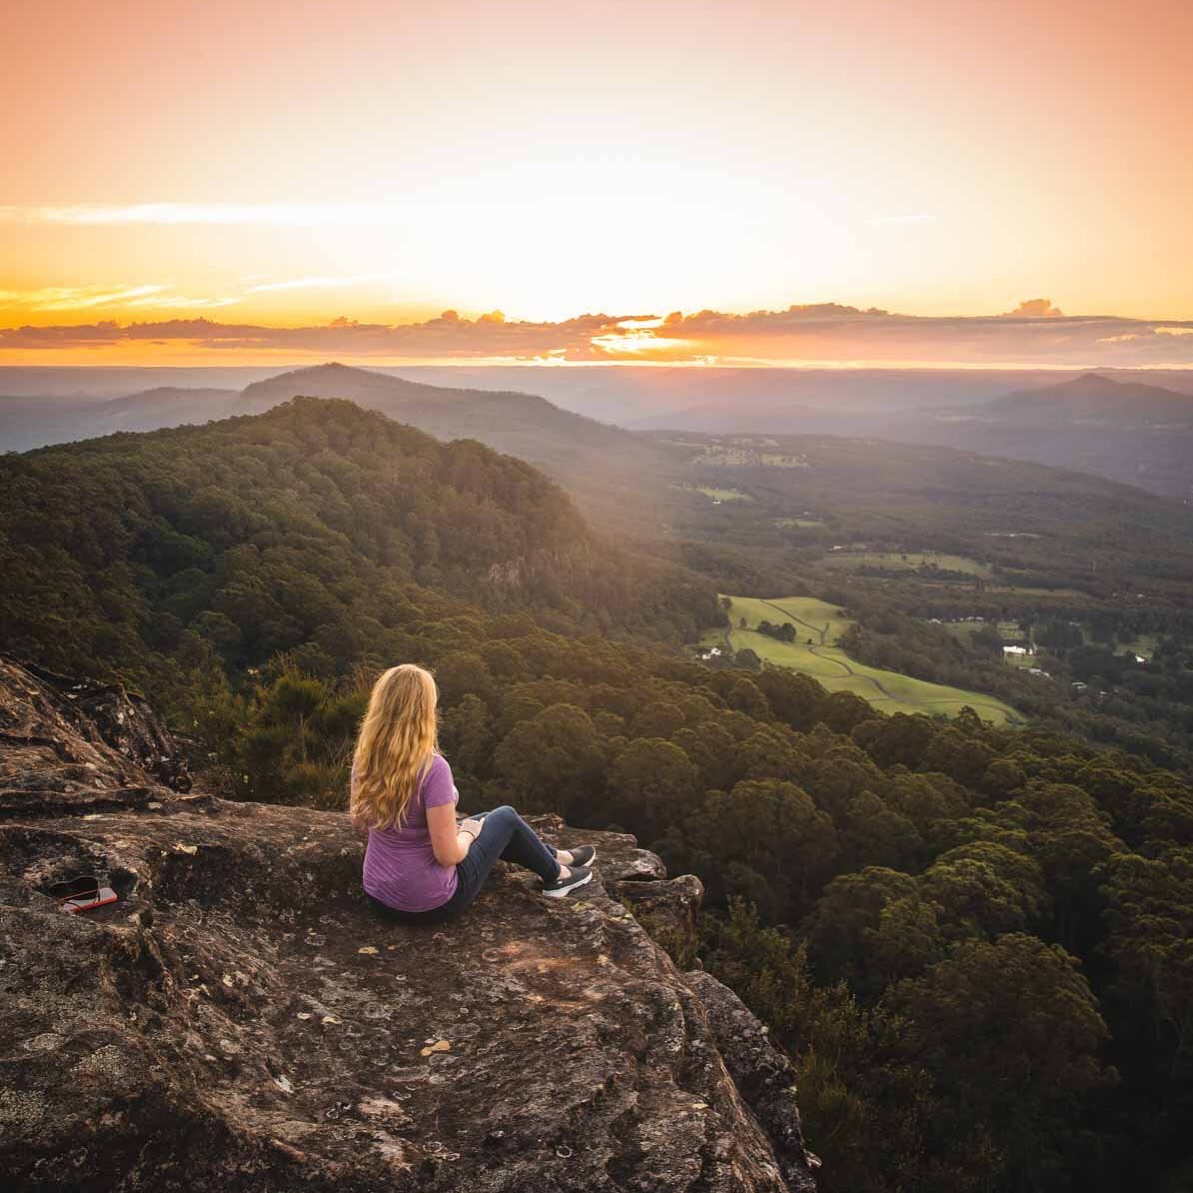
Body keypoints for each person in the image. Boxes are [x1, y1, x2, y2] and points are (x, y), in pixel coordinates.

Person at [349, 663, 595, 924]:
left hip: (378, 896)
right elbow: (447, 856)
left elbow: (360, 823)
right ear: (424, 711)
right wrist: (466, 835)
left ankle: (555, 856)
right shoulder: (433, 768)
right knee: (505, 818)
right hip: (430, 903)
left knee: (488, 820)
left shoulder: (366, 758)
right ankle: (557, 875)